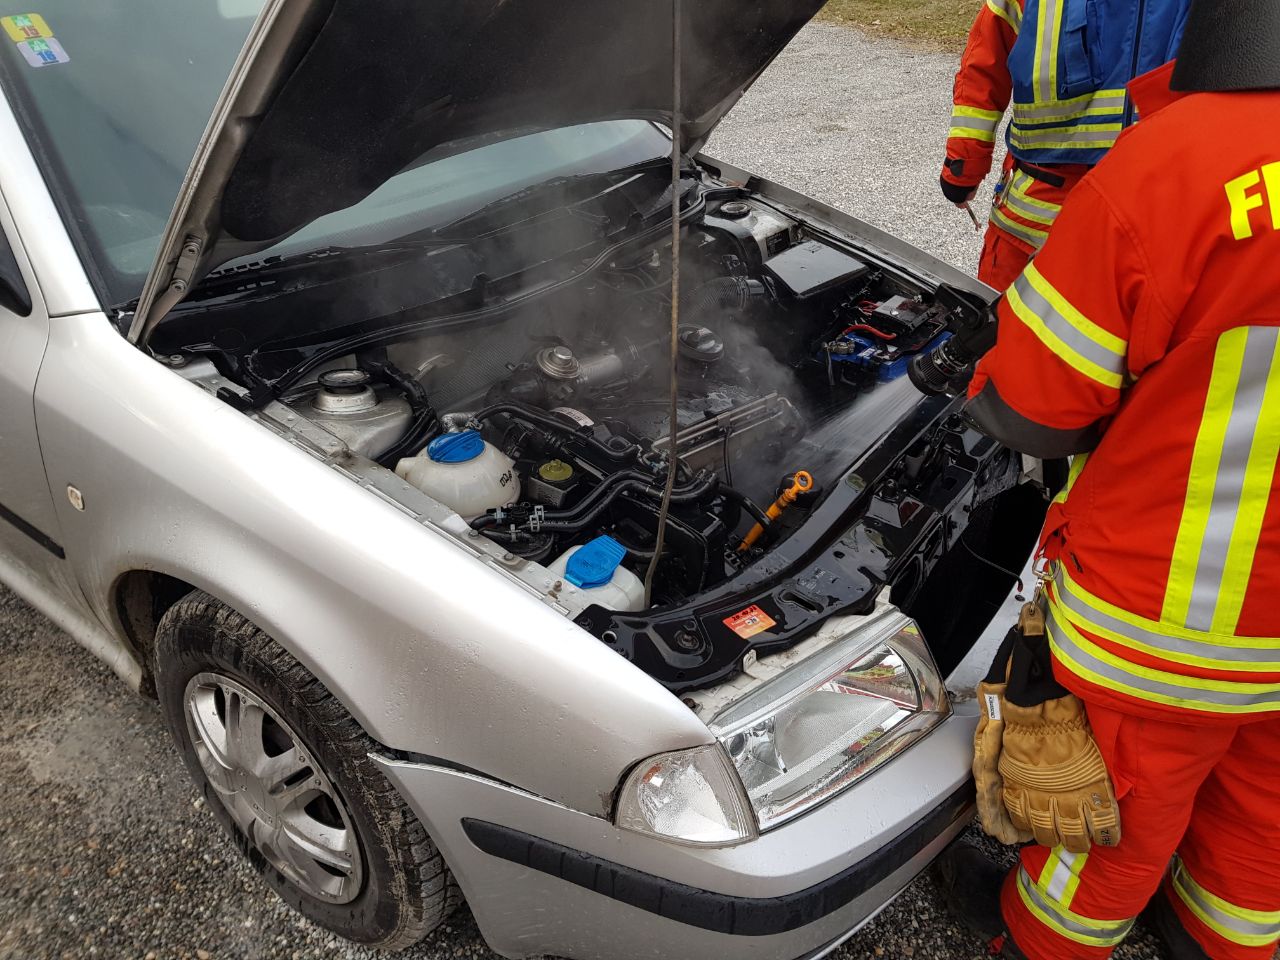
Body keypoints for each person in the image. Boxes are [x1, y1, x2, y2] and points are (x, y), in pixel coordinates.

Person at [936, 1, 1280, 957]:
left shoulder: (1175, 163)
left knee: (1110, 829)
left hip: (1172, 629)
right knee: (1260, 827)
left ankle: (1041, 941)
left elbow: (1034, 411)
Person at [940, 0, 1190, 290]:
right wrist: (963, 166)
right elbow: (986, 64)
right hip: (1138, 219)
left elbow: (984, 65)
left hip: (1049, 216)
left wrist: (962, 169)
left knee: (1006, 317)